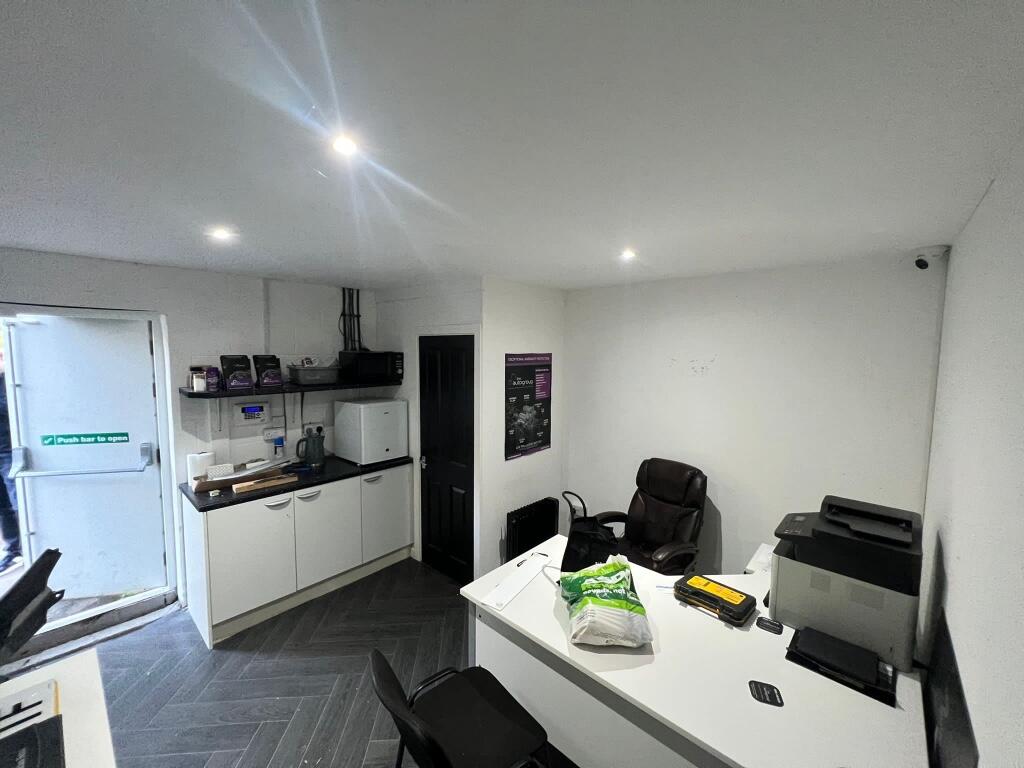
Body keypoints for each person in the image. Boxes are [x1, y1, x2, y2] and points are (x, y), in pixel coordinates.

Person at [0, 343, 22, 573]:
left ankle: (34, 548)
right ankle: (13, 550)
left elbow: (11, 410)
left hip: (9, 451)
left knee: (20, 502)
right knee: (3, 507)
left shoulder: (8, 381)